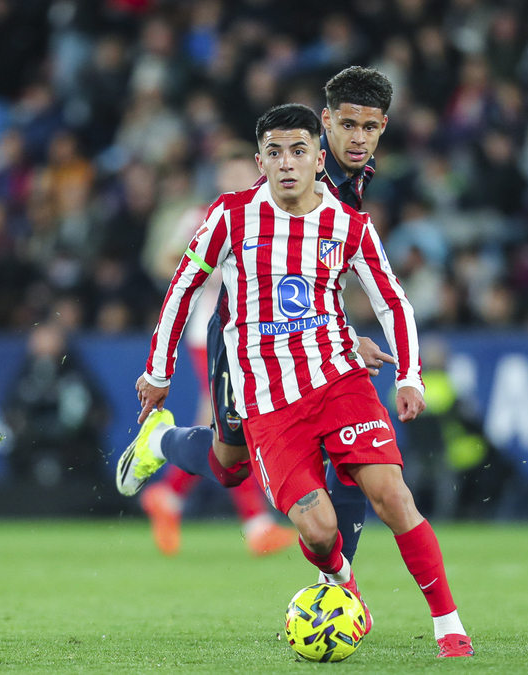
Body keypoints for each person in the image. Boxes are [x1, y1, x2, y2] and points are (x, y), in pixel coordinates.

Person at [122, 102, 473, 657]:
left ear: (318, 159)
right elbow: (182, 285)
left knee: (391, 493)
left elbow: (393, 302)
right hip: (262, 389)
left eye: (299, 151)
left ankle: (448, 625)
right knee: (260, 487)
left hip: (338, 382)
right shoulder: (230, 216)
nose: (287, 163)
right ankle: (162, 441)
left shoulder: (347, 221)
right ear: (261, 161)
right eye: (275, 152)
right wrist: (158, 372)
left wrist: (409, 376)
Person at [118, 67, 395, 571]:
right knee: (230, 457)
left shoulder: (350, 180)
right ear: (328, 124)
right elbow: (180, 271)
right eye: (350, 126)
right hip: (237, 336)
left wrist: (343, 334)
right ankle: (167, 456)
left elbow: (314, 273)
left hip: (301, 337)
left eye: (370, 128)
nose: (359, 138)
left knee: (323, 454)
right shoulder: (259, 195)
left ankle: (335, 581)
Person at [138, 142, 299, 557]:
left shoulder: (273, 215)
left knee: (230, 425)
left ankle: (171, 495)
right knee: (231, 422)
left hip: (255, 332)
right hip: (210, 333)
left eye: (241, 174)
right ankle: (256, 523)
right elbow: (164, 263)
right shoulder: (205, 216)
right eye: (227, 176)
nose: (234, 183)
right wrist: (204, 266)